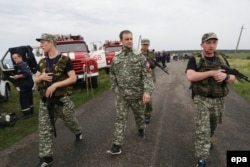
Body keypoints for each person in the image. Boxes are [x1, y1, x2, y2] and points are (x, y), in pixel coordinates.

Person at [185, 32, 236, 167]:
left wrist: (226, 77)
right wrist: (212, 73)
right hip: (201, 99)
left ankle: (207, 140)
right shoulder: (195, 59)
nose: (211, 45)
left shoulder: (222, 59)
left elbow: (232, 79)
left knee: (212, 127)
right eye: (208, 42)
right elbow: (190, 76)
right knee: (202, 129)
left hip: (219, 100)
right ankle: (202, 159)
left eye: (214, 42)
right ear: (202, 44)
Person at [35, 33, 82, 166]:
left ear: (51, 42)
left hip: (62, 100)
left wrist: (56, 84)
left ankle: (78, 131)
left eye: (43, 42)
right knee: (44, 128)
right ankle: (46, 157)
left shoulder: (64, 60)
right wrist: (41, 78)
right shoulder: (42, 62)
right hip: (46, 101)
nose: (41, 45)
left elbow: (73, 78)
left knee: (70, 120)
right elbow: (36, 79)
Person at [107, 30, 154, 155]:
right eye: (127, 39)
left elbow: (148, 75)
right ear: (121, 41)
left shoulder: (140, 57)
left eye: (131, 38)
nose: (129, 41)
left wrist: (147, 92)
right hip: (122, 96)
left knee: (139, 116)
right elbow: (112, 75)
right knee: (120, 119)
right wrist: (115, 89)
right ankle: (116, 145)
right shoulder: (116, 58)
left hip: (137, 95)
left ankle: (141, 128)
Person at [11, 53, 34, 119]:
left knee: (23, 99)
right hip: (27, 84)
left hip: (25, 85)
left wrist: (17, 76)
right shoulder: (19, 65)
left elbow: (26, 73)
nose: (14, 59)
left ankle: (27, 114)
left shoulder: (23, 64)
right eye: (13, 58)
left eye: (15, 58)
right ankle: (31, 111)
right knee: (29, 98)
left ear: (20, 57)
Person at [140, 38, 156, 124]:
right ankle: (141, 113)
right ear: (141, 45)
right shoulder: (137, 54)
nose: (145, 46)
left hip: (150, 78)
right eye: (144, 44)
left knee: (148, 98)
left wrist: (148, 59)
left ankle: (148, 114)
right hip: (140, 79)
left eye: (147, 45)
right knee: (140, 98)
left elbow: (153, 66)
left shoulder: (151, 53)